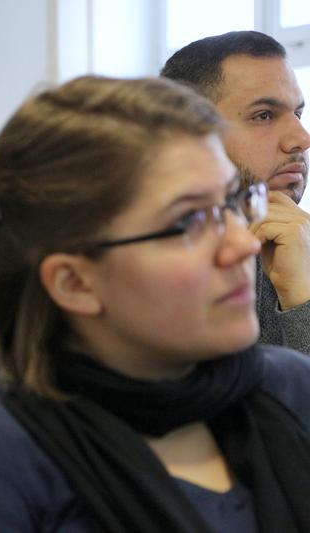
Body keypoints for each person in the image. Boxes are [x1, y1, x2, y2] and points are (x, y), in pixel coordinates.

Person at [0, 76, 310, 532]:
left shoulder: (289, 390)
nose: (242, 245)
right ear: (74, 283)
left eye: (233, 203)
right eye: (189, 221)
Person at [161, 30, 310, 354]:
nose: (301, 138)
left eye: (297, 113)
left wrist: (303, 298)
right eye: (264, 116)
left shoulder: (302, 242)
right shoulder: (149, 262)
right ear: (188, 131)